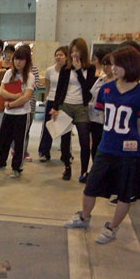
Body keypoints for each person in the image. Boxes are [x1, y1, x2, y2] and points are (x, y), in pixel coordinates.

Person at [64, 46, 140, 244]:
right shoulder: (106, 89)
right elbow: (103, 117)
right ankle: (84, 217)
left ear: (129, 66)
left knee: (124, 194)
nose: (113, 69)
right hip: (106, 146)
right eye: (112, 64)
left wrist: (134, 145)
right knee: (91, 186)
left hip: (128, 152)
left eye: (117, 65)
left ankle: (112, 227)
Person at [51, 38, 96, 182]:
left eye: (77, 51)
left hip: (81, 107)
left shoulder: (90, 68)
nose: (75, 54)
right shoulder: (65, 68)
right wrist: (55, 107)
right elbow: (59, 89)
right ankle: (67, 167)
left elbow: (88, 90)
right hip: (66, 105)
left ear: (83, 52)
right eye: (72, 51)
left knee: (84, 141)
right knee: (65, 140)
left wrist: (78, 70)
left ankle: (84, 171)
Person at [0, 45, 35, 178]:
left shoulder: (29, 76)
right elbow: (2, 91)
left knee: (19, 142)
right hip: (9, 113)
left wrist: (10, 103)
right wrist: (16, 96)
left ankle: (16, 167)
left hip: (22, 114)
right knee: (3, 139)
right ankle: (0, 162)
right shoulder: (9, 73)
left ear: (26, 61)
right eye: (16, 59)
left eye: (21, 60)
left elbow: (26, 97)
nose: (18, 62)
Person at [38, 46, 68, 161]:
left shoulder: (69, 70)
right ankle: (44, 152)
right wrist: (47, 99)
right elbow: (47, 87)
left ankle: (66, 153)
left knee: (65, 127)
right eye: (56, 55)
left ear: (66, 57)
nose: (58, 57)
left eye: (61, 55)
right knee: (48, 126)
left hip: (64, 101)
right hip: (51, 100)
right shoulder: (50, 70)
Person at [89, 53, 114, 160]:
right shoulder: (100, 80)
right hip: (96, 118)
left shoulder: (119, 83)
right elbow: (92, 96)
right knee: (96, 144)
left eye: (108, 64)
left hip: (110, 120)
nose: (105, 67)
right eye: (104, 64)